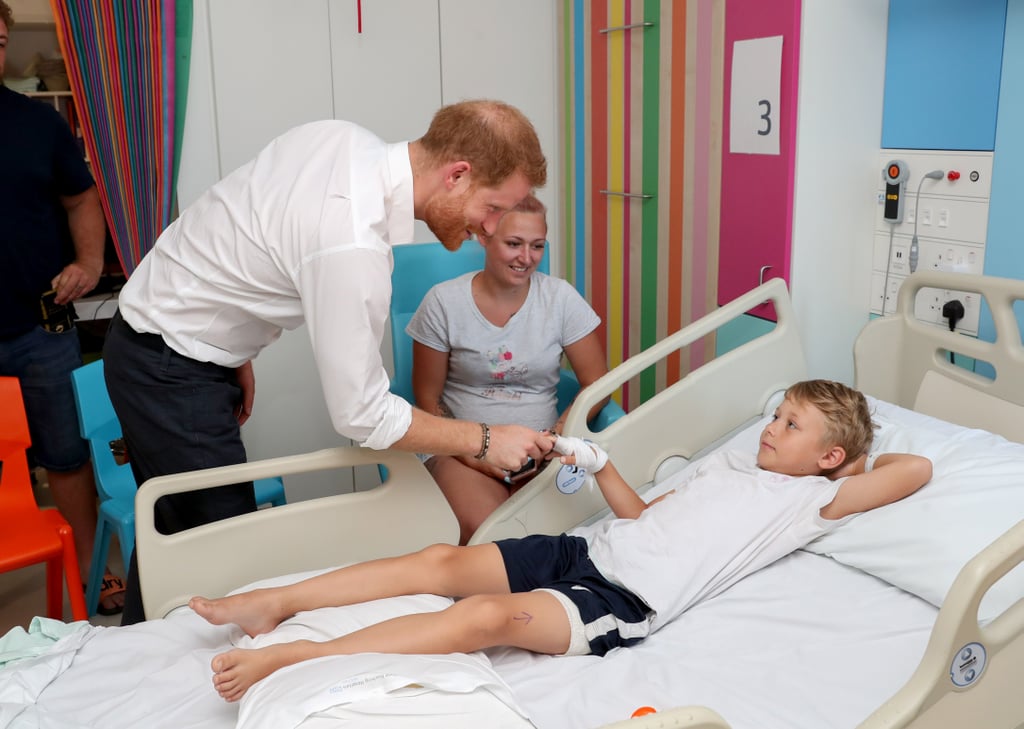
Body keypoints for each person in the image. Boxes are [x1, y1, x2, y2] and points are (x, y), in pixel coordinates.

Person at [189, 379, 933, 702]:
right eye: (778, 414)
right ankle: (273, 600)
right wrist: (600, 463)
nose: (772, 427)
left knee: (480, 619)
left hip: (622, 597)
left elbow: (916, 466)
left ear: (831, 458)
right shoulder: (732, 466)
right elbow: (644, 515)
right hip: (592, 547)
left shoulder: (814, 500)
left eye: (792, 425)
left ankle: (297, 656)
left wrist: (854, 458)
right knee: (439, 562)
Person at [103, 99, 554, 625]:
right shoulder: (351, 242)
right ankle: (162, 682)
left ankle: (127, 664)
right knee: (221, 564)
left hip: (167, 336)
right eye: (495, 208)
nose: (492, 228)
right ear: (458, 175)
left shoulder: (345, 138)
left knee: (177, 538)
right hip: (169, 365)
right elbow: (362, 416)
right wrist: (484, 440)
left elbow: (245, 226)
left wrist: (234, 347)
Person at [0, 1, 126, 615]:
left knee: (67, 455)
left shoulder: (36, 124)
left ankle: (88, 566)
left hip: (39, 325)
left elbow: (82, 199)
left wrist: (87, 262)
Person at [407, 195, 611, 543]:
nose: (526, 258)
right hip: (464, 450)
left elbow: (598, 385)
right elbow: (427, 398)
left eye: (537, 246)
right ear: (484, 238)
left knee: (567, 538)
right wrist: (476, 453)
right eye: (513, 244)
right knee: (489, 536)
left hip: (544, 453)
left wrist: (554, 441)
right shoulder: (443, 302)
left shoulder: (560, 299)